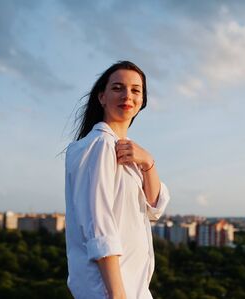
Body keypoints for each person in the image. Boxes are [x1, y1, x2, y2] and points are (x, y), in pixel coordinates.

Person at [64, 61, 170, 299]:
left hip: (132, 288)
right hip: (110, 290)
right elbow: (99, 225)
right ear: (101, 97)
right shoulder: (100, 144)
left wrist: (148, 163)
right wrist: (117, 293)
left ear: (142, 100)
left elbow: (154, 209)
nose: (127, 96)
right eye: (118, 88)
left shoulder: (124, 149)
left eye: (135, 90)